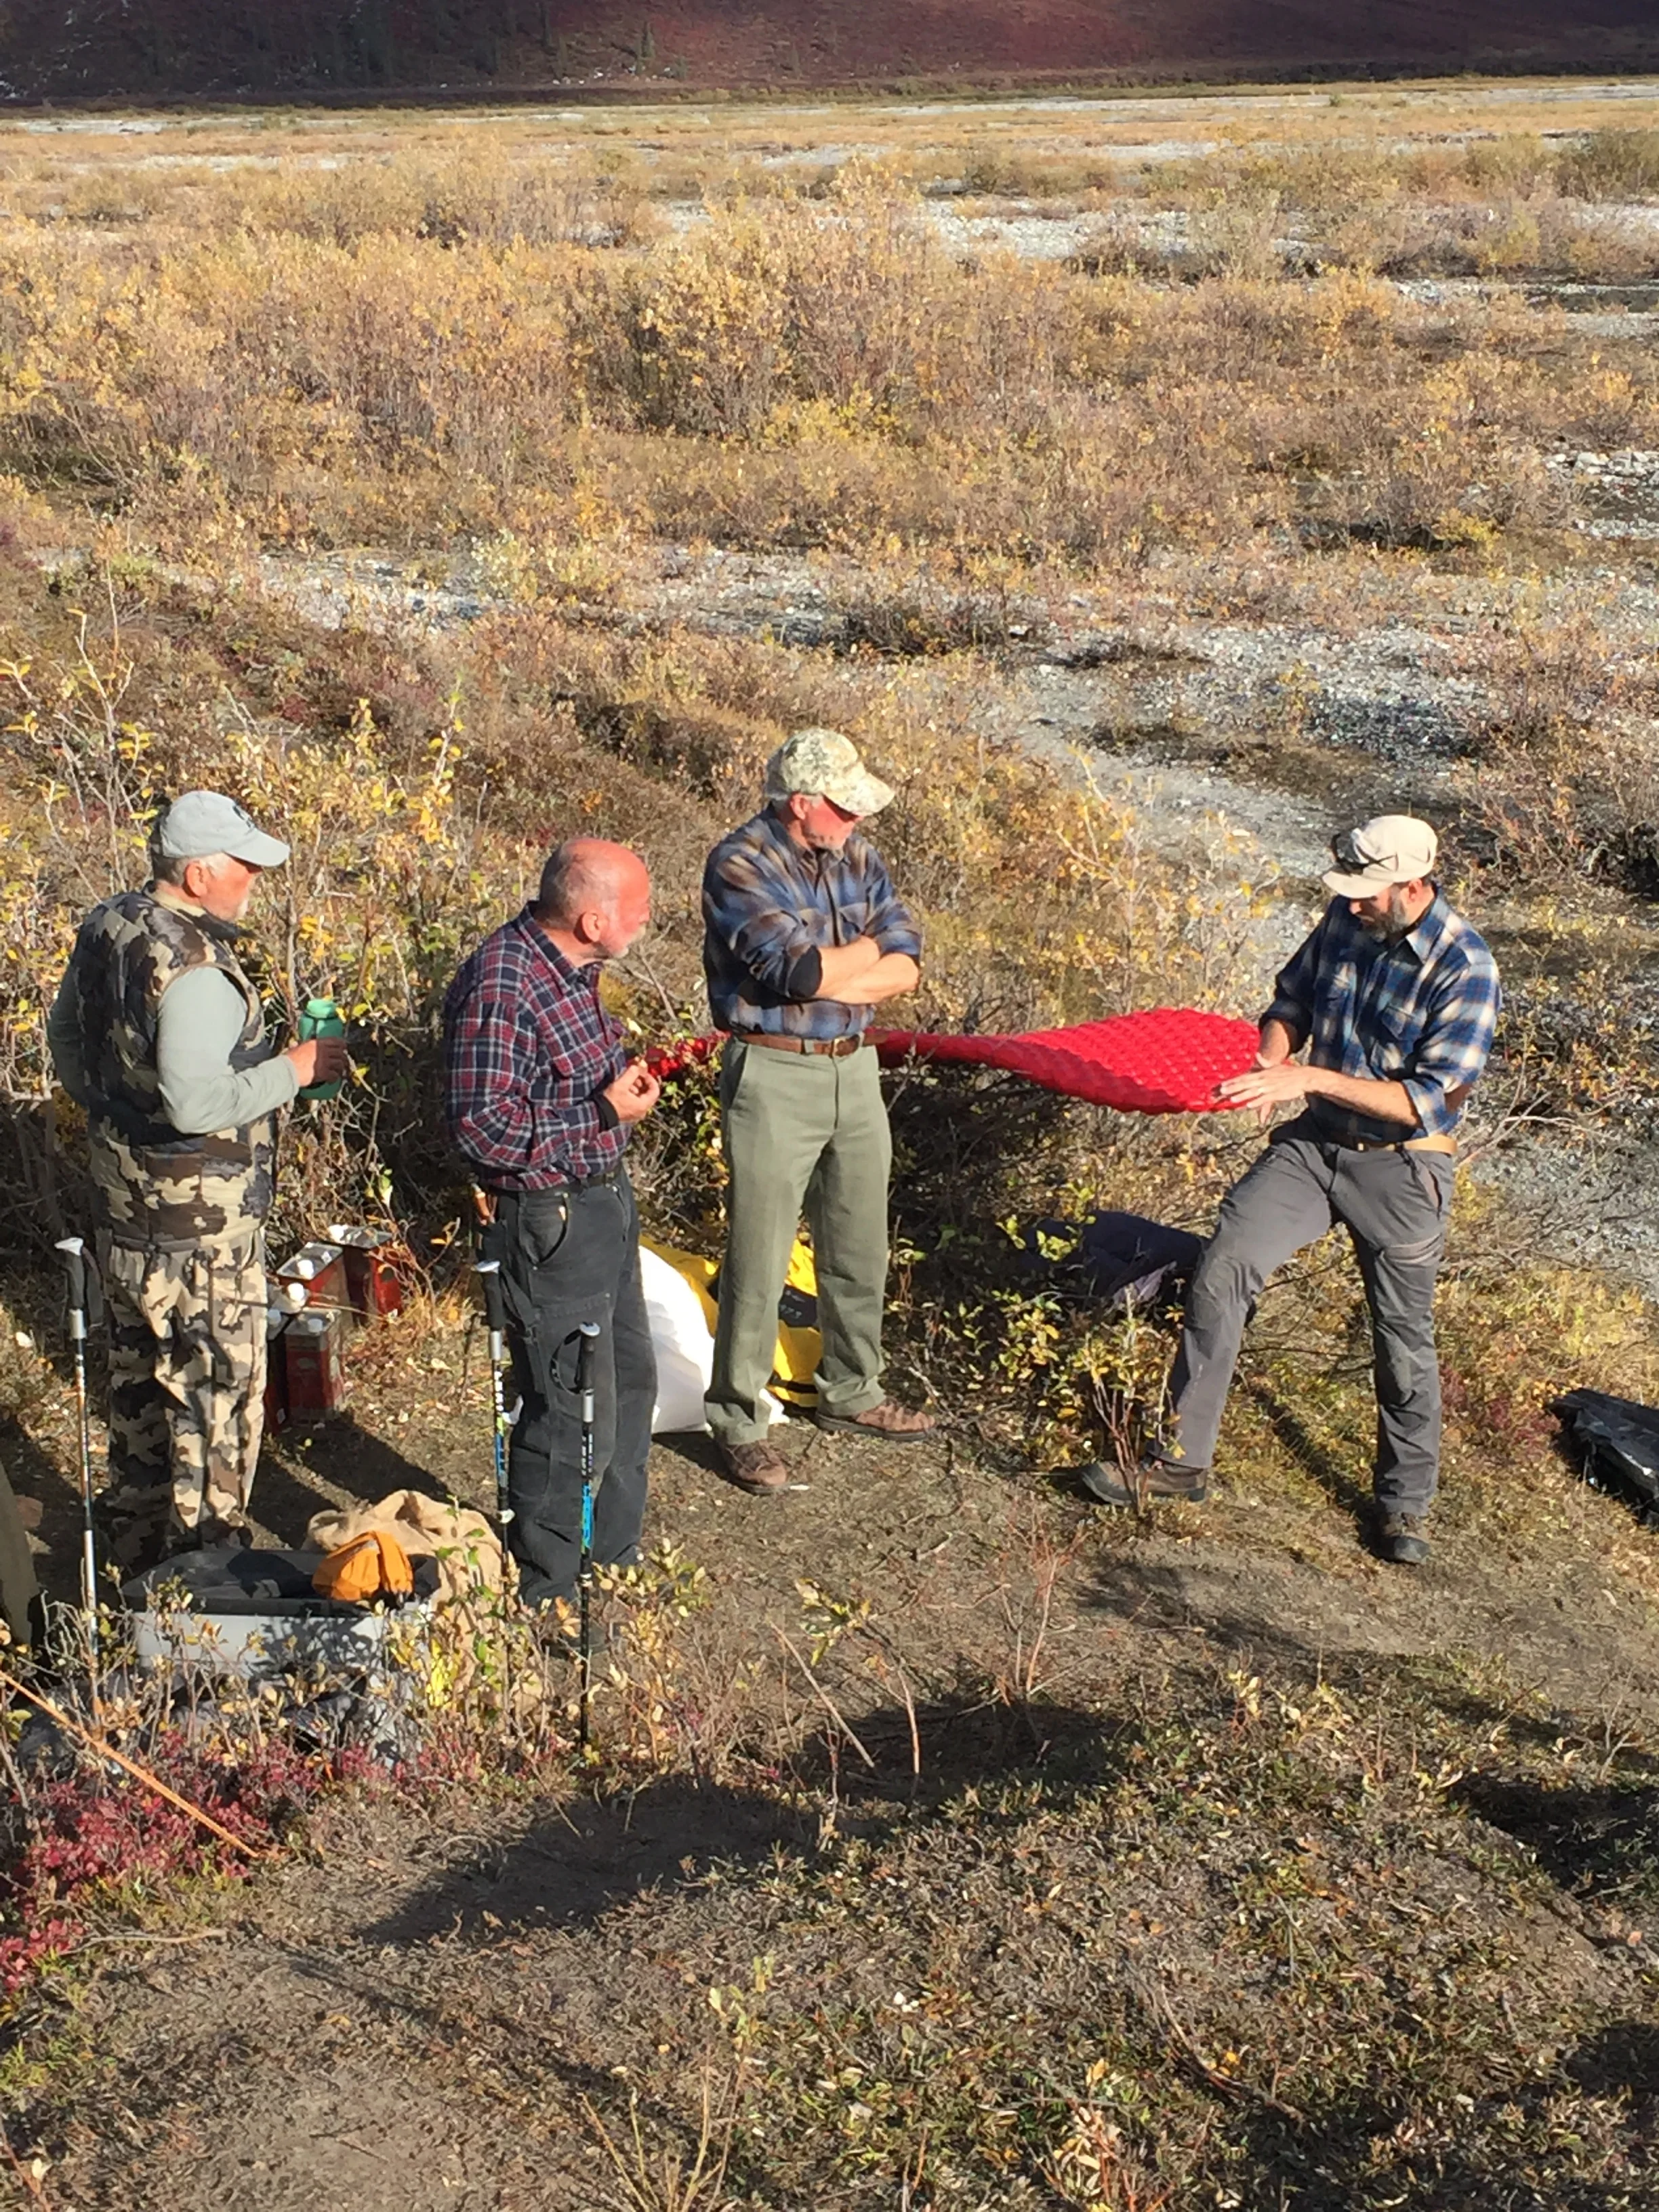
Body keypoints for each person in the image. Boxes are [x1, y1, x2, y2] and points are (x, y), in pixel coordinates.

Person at [1080, 815, 1500, 1568]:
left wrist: (1304, 1076)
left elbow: (1428, 1101)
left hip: (1403, 1167)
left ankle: (1405, 1506)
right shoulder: (1346, 917)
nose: (1356, 904)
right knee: (1224, 1265)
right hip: (1314, 1147)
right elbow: (1291, 1005)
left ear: (1414, 886)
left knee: (1401, 1339)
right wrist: (1270, 1066)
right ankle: (1180, 1463)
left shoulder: (1465, 965)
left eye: (1370, 893)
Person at [47, 791, 347, 1559]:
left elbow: (68, 1045)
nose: (253, 879)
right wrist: (293, 1069)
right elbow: (195, 1100)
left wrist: (119, 1113)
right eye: (243, 866)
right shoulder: (197, 969)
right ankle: (203, 1604)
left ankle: (137, 1583)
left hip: (124, 1222)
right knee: (212, 1420)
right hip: (203, 1245)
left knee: (140, 1412)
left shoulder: (108, 925)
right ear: (201, 871)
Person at [702, 728, 935, 1493]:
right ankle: (739, 1417)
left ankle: (852, 1389)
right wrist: (857, 961)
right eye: (844, 805)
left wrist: (844, 970)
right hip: (774, 1071)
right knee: (759, 1257)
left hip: (853, 1066)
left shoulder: (855, 855)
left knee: (860, 1243)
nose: (857, 820)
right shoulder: (738, 863)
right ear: (802, 804)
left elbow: (907, 961)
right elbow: (797, 973)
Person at [444, 839, 661, 1616]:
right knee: (565, 1411)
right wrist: (602, 1112)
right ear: (593, 917)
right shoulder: (503, 983)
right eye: (636, 909)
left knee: (631, 1389)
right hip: (549, 1221)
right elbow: (484, 1132)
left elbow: (554, 1085)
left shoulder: (573, 971)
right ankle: (551, 1593)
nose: (645, 921)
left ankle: (613, 1565)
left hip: (604, 1202)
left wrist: (616, 1088)